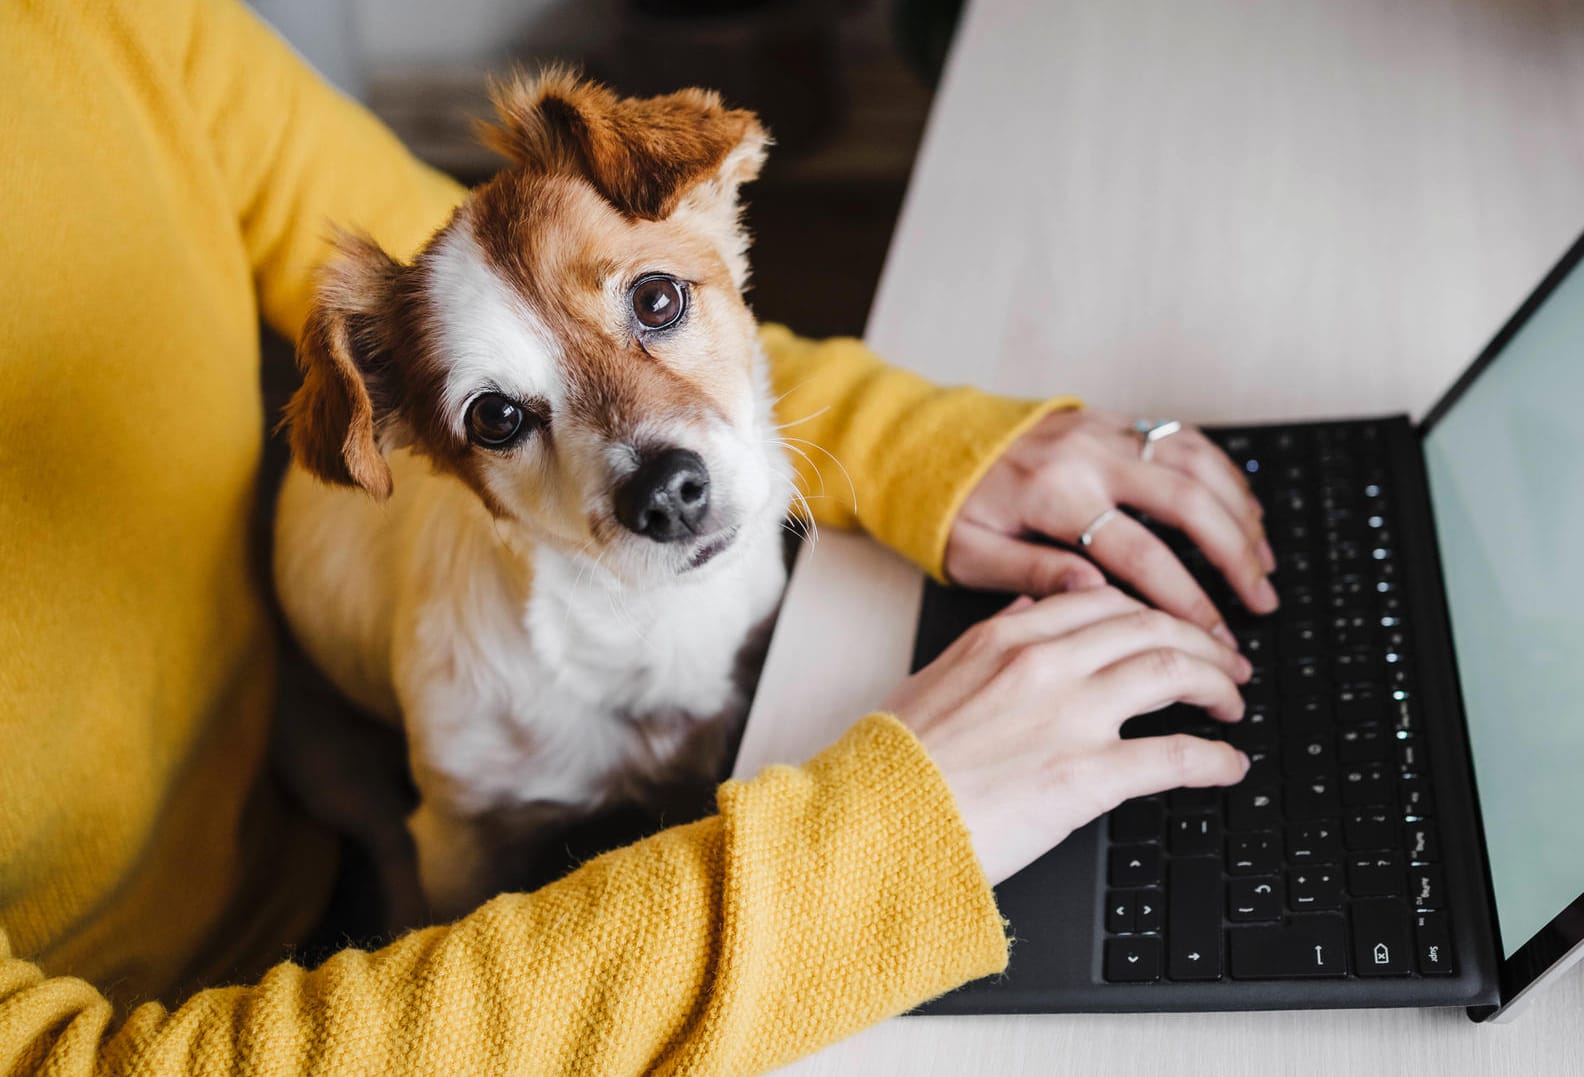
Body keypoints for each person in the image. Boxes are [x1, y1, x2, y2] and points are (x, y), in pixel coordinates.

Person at [0, 0, 1275, 1072]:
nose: (649, 464)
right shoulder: (467, 694)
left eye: (653, 304)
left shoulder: (103, 19)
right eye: (503, 416)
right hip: (325, 929)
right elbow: (467, 859)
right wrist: (873, 851)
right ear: (410, 448)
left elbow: (480, 245)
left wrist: (928, 448)